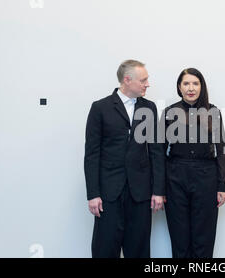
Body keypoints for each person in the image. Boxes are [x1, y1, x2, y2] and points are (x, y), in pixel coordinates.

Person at [84, 60, 165, 258]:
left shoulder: (150, 108)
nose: (147, 84)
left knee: (139, 250)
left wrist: (158, 191)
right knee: (105, 249)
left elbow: (156, 151)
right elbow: (92, 154)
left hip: (140, 193)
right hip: (108, 194)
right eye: (143, 80)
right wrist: (93, 194)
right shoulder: (100, 108)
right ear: (127, 80)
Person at [163, 68, 225, 258]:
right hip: (175, 179)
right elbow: (159, 151)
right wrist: (159, 187)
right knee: (179, 238)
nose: (190, 88)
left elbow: (221, 149)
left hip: (206, 177)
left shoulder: (213, 112)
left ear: (202, 86)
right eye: (186, 83)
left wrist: (222, 184)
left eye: (195, 83)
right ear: (179, 87)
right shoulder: (169, 113)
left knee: (204, 238)